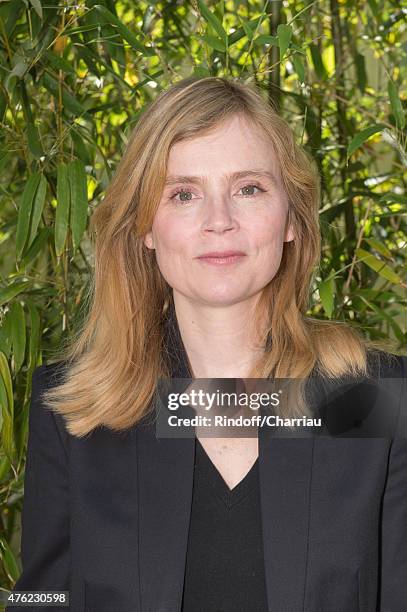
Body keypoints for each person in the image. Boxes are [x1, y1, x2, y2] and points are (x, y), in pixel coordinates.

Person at [8, 76, 406, 612]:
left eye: (248, 188)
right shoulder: (75, 411)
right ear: (146, 227)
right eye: (184, 194)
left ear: (291, 218)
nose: (219, 222)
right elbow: (42, 599)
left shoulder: (372, 402)